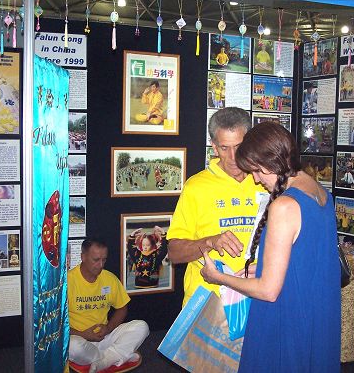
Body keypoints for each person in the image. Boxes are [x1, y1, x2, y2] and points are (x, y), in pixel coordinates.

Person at [200, 122, 340, 372]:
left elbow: (268, 291)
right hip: (317, 311)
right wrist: (263, 266)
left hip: (286, 315)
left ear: (271, 163)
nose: (255, 179)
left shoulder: (284, 206)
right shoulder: (320, 192)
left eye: (256, 171)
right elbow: (307, 258)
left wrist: (218, 277)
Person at [167, 107, 267, 306]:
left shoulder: (265, 179)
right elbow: (174, 253)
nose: (232, 156)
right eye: (224, 148)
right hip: (207, 301)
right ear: (213, 146)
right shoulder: (196, 186)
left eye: (239, 146)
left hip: (257, 297)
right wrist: (210, 242)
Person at [68, 238, 149, 373]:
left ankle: (105, 360)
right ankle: (116, 356)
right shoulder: (67, 281)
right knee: (72, 346)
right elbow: (56, 323)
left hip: (105, 336)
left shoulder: (109, 278)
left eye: (104, 260)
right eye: (96, 260)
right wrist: (83, 334)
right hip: (80, 339)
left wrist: (109, 328)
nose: (100, 265)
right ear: (83, 257)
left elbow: (122, 308)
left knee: (142, 326)